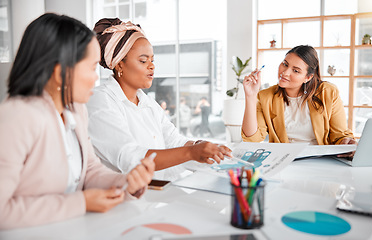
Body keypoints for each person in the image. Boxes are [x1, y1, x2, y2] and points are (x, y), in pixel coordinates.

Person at [0, 13, 155, 230]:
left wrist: (126, 182)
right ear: (60, 72)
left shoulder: (75, 109)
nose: (96, 77)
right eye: (91, 68)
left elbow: (90, 170)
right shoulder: (17, 118)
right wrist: (81, 203)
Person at [87, 18, 232, 180]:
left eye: (152, 60)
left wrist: (205, 149)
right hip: (123, 198)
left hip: (157, 193)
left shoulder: (147, 103)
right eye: (143, 60)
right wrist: (191, 152)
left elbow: (174, 141)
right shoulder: (100, 101)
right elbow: (130, 158)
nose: (152, 66)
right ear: (119, 65)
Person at [242, 45, 356, 156]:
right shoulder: (266, 96)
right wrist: (250, 97)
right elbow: (252, 139)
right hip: (284, 160)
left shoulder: (327, 92)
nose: (285, 73)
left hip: (321, 161)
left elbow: (339, 135)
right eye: (285, 64)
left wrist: (346, 143)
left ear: (308, 77)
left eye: (296, 71)